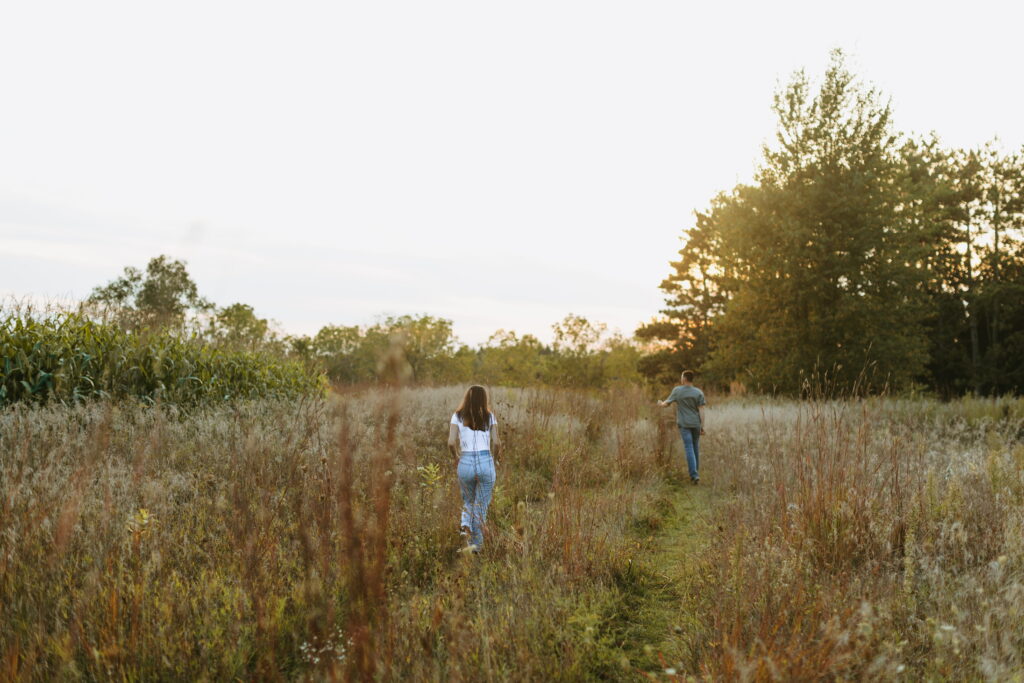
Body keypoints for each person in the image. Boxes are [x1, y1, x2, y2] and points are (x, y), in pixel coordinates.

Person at [448, 385, 500, 553]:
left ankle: (465, 525)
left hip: (466, 461)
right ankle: (476, 549)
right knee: (480, 507)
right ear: (484, 399)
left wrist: (456, 457)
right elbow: (497, 442)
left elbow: (450, 442)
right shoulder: (490, 416)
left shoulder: (457, 416)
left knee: (468, 501)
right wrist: (495, 459)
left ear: (467, 398)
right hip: (486, 460)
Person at [658, 370, 706, 484]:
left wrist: (660, 403)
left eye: (681, 377)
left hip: (684, 424)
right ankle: (695, 474)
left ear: (684, 379)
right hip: (695, 424)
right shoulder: (698, 392)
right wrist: (702, 427)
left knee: (689, 447)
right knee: (695, 447)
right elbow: (702, 411)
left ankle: (694, 475)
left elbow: (666, 404)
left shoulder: (677, 391)